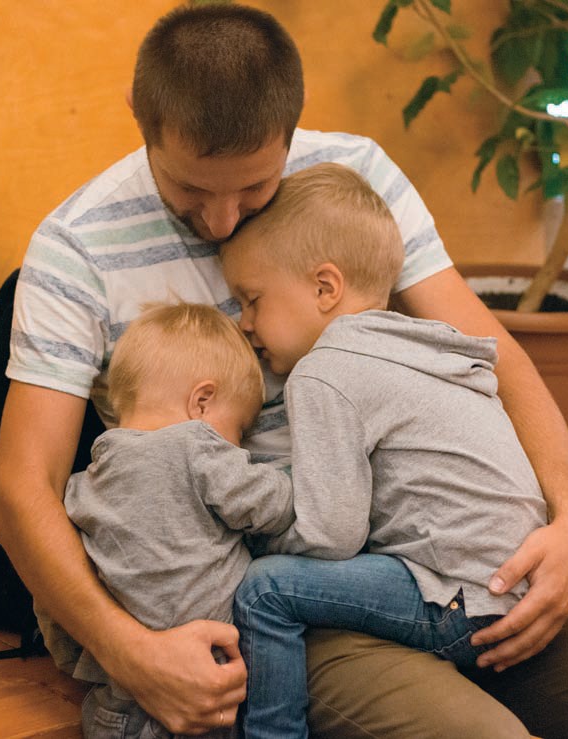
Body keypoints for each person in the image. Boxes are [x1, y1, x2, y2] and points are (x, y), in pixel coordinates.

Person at [0, 4, 568, 738]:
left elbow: (492, 355)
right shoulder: (75, 247)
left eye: (254, 188)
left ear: (292, 129)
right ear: (140, 116)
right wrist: (130, 652)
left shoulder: (353, 177)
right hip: (275, 600)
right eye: (190, 190)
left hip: (441, 558)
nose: (222, 220)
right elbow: (22, 489)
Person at [219, 162, 548, 738]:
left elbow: (332, 535)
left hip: (455, 599)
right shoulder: (424, 347)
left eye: (252, 300)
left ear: (325, 288)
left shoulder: (325, 370)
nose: (244, 324)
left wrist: (260, 536)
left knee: (265, 589)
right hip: (520, 589)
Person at [60, 301, 293, 738]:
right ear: (202, 402)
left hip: (117, 704)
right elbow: (272, 508)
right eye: (239, 431)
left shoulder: (80, 487)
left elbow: (55, 598)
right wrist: (293, 486)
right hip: (207, 681)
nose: (240, 447)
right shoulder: (196, 447)